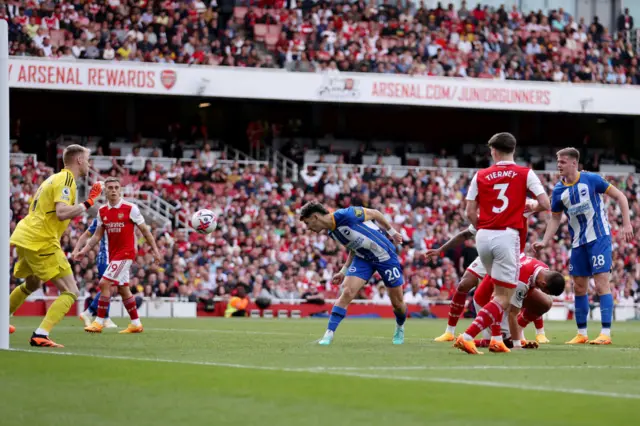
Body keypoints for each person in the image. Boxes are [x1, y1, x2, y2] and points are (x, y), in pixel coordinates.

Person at [456, 133, 550, 354]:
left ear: (494, 151)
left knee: (495, 290)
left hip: (483, 236)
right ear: (513, 150)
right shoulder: (525, 173)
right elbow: (545, 203)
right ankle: (467, 336)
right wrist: (532, 208)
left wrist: (484, 228)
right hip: (507, 236)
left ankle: (496, 339)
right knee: (503, 296)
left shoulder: (480, 174)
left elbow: (469, 212)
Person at [534, 147, 633, 345]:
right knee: (579, 287)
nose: (558, 165)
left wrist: (627, 223)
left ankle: (605, 333)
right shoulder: (559, 190)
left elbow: (620, 196)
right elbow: (554, 219)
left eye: (562, 162)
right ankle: (582, 333)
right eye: (558, 161)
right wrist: (545, 241)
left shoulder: (591, 180)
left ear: (573, 163)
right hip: (578, 242)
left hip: (599, 238)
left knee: (601, 283)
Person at [8, 144, 102, 347]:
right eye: (87, 159)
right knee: (71, 291)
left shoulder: (52, 178)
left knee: (32, 283)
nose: (88, 164)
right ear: (78, 160)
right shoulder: (67, 179)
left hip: (26, 235)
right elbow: (61, 212)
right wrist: (89, 202)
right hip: (41, 241)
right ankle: (41, 334)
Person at [299, 201, 407, 345]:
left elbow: (375, 213)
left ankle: (400, 326)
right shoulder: (332, 232)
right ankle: (329, 334)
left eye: (307, 223)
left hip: (385, 255)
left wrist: (392, 232)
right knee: (347, 291)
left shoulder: (346, 214)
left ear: (315, 217)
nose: (308, 228)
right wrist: (343, 271)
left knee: (398, 304)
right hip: (363, 259)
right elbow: (353, 247)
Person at [75, 177, 163, 334]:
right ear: (106, 191)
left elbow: (145, 231)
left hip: (126, 254)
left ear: (120, 189)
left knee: (104, 283)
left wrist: (155, 250)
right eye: (110, 188)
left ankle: (99, 322)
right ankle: (136, 324)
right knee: (123, 290)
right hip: (113, 255)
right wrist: (84, 250)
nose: (113, 190)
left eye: (116, 187)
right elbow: (96, 236)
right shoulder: (102, 211)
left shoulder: (131, 208)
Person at [471, 256, 565, 353]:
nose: (543, 292)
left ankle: (516, 331)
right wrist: (517, 345)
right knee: (504, 342)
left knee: (545, 302)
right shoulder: (522, 282)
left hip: (505, 294)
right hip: (485, 300)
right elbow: (512, 314)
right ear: (543, 283)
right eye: (545, 291)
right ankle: (468, 339)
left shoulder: (543, 268)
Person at [74, 218, 118, 329]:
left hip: (115, 257)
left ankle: (93, 314)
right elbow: (86, 234)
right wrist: (76, 249)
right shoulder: (102, 216)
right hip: (105, 257)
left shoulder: (122, 213)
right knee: (107, 287)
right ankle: (102, 317)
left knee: (110, 287)